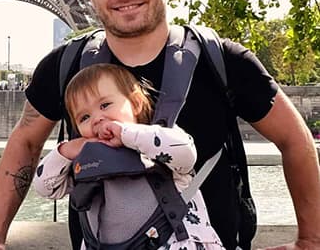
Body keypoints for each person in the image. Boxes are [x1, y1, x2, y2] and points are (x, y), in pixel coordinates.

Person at [0, 0, 320, 250]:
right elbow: (27, 139)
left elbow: (295, 138)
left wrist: (312, 238)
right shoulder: (62, 66)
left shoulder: (225, 60)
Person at [33, 63, 225, 249]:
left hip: (176, 241)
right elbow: (45, 187)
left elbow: (186, 154)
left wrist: (126, 134)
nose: (97, 119)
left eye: (105, 105)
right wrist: (68, 150)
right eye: (84, 117)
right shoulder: (87, 161)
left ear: (136, 103)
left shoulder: (155, 139)